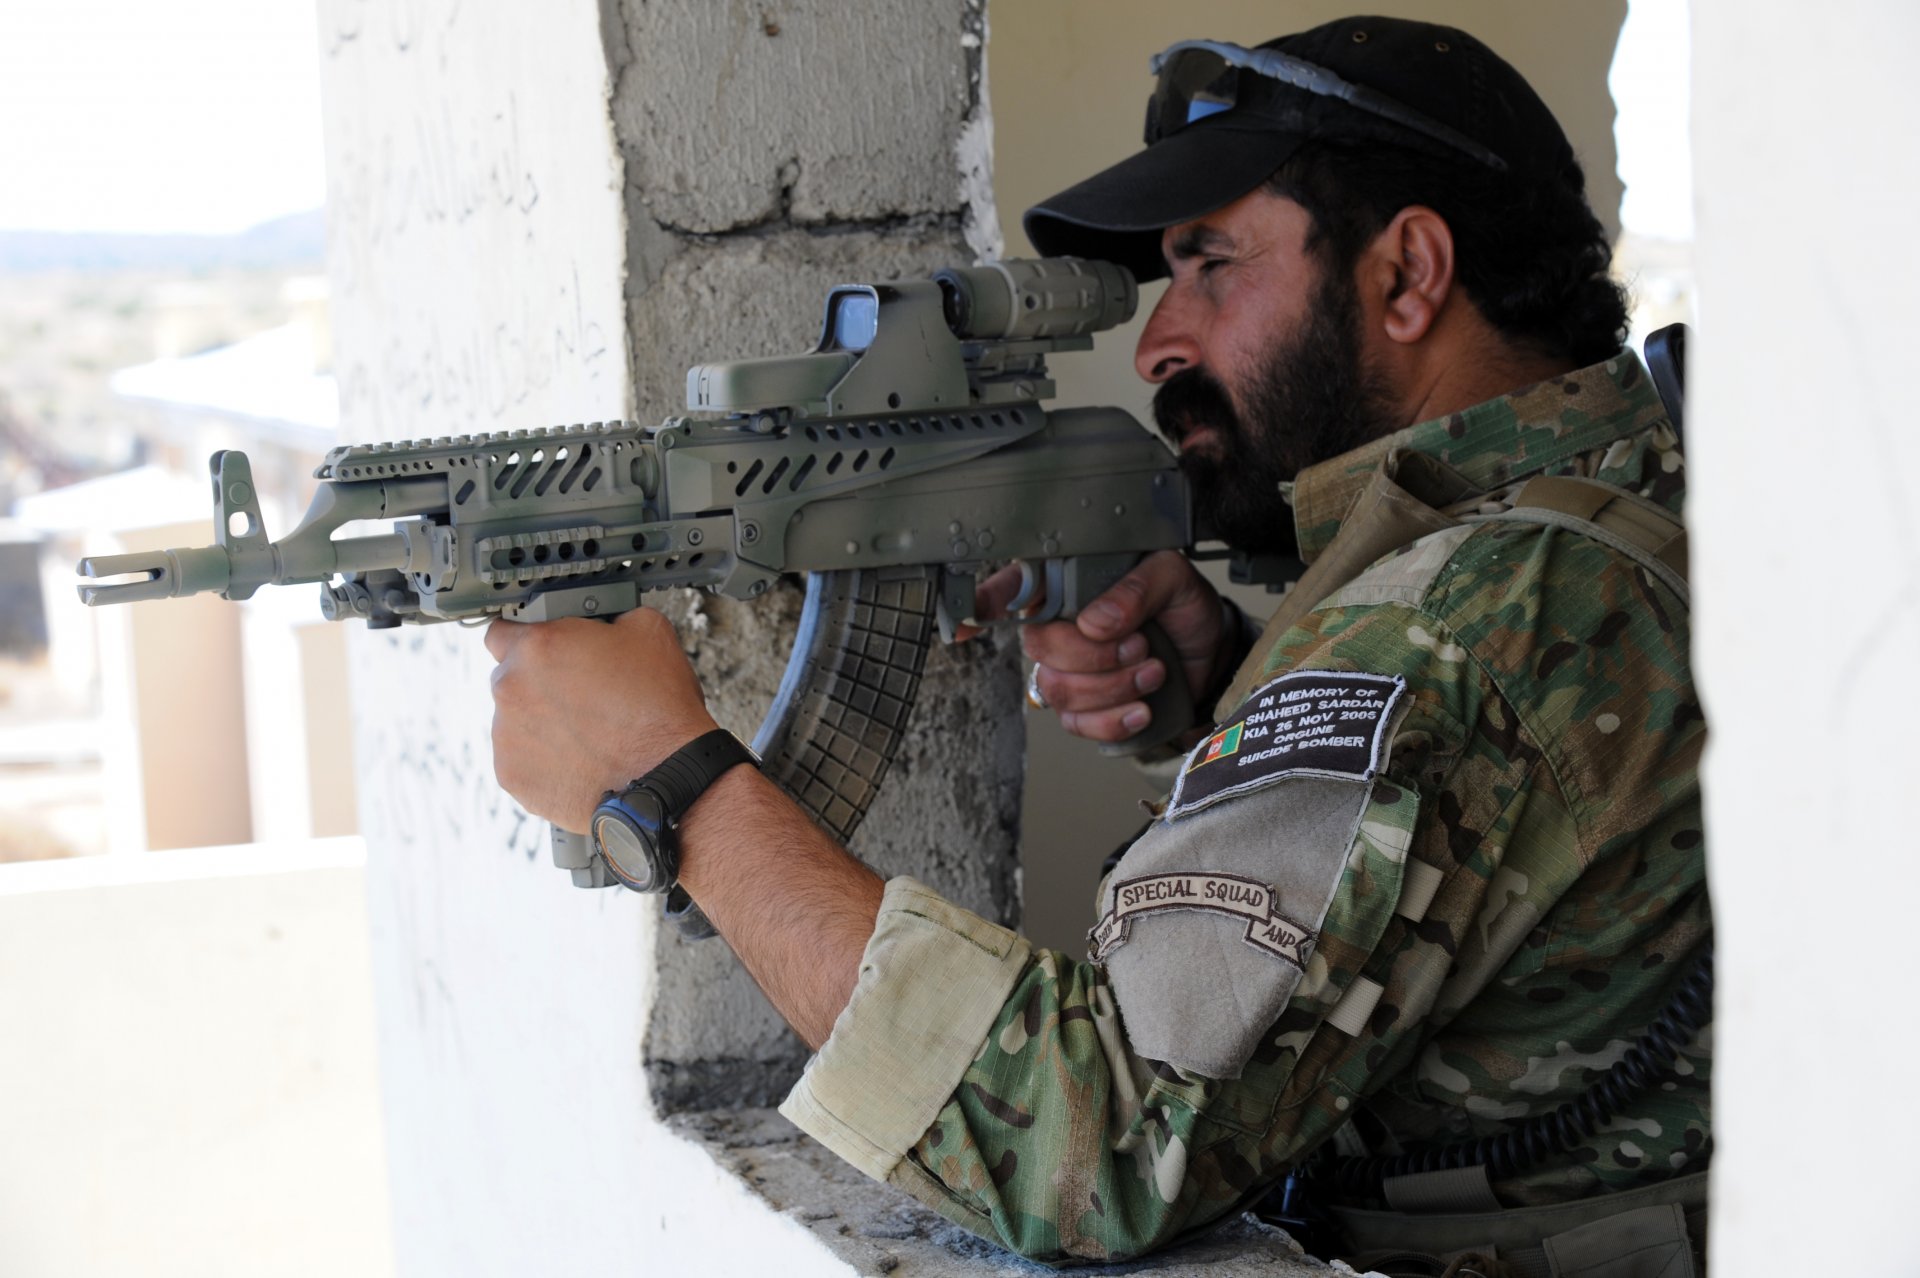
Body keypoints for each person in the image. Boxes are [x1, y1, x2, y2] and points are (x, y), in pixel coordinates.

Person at [486, 16, 1710, 1273]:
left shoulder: (1451, 623)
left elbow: (1086, 1150)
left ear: (1407, 273)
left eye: (1210, 265)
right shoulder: (1638, 482)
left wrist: (671, 779)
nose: (1155, 343)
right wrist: (1245, 676)